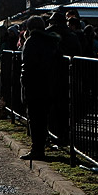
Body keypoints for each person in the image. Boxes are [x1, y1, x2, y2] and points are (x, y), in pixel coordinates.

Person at [20, 15, 61, 161]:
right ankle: (42, 146)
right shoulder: (51, 41)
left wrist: (24, 85)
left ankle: (37, 149)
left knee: (34, 119)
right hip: (49, 85)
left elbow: (27, 66)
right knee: (43, 119)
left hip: (34, 86)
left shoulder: (31, 42)